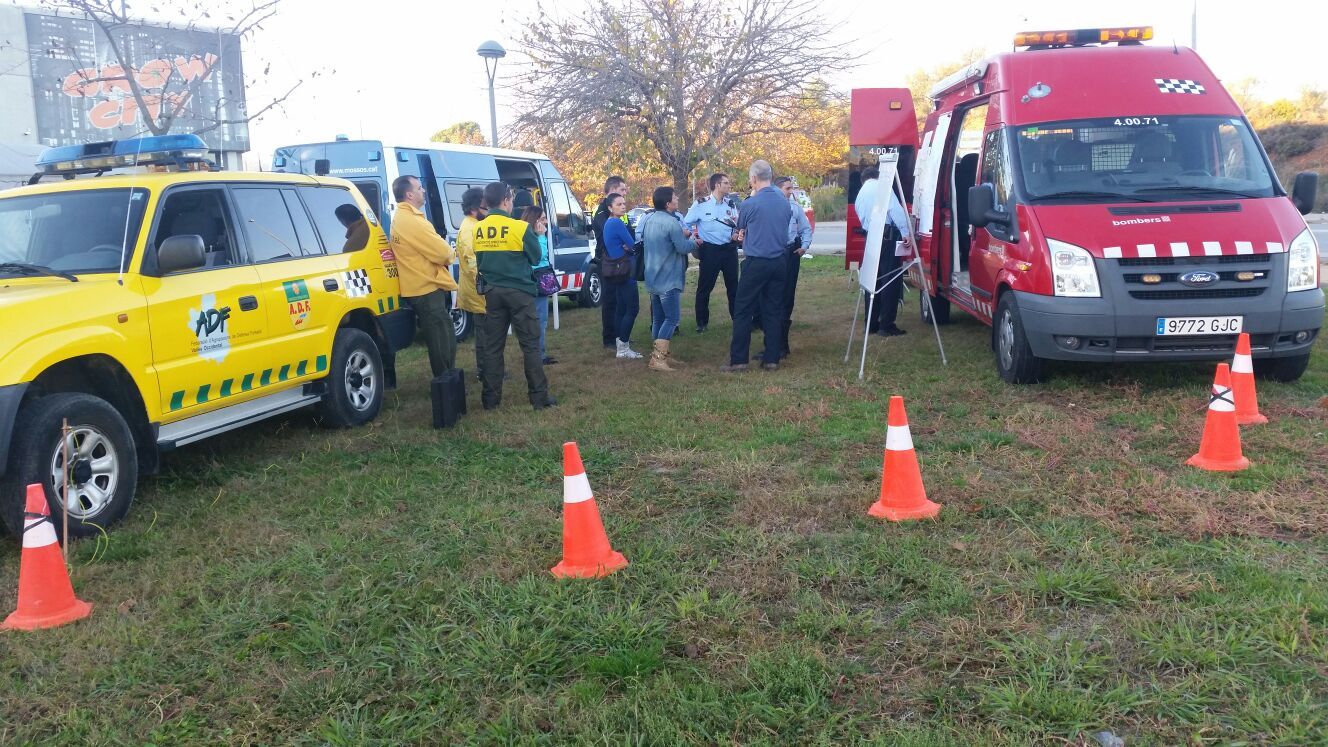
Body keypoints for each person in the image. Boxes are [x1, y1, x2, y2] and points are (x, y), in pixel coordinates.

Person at [473, 181, 556, 411]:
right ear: (506, 201)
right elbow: (535, 257)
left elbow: (479, 260)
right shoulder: (519, 227)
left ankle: (490, 400)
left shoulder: (478, 228)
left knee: (492, 347)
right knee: (530, 345)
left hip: (492, 292)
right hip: (520, 292)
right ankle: (539, 398)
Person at [724, 160, 792, 372]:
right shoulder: (784, 202)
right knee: (773, 309)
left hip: (757, 262)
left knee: (743, 309)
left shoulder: (749, 204)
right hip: (779, 261)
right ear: (770, 177)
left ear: (753, 179)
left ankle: (739, 360)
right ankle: (772, 358)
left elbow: (740, 229)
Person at [389, 175, 458, 377]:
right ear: (409, 194)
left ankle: (446, 377)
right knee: (441, 336)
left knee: (441, 332)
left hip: (418, 286)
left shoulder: (402, 217)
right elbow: (443, 253)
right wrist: (451, 253)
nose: (424, 191)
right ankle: (446, 380)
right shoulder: (413, 221)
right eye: (419, 188)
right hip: (426, 287)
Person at [639, 186, 694, 372]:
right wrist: (694, 242)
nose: (678, 200)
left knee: (658, 318)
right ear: (668, 204)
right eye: (675, 198)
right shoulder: (672, 222)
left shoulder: (649, 220)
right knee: (672, 318)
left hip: (653, 275)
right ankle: (658, 359)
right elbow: (682, 248)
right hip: (668, 277)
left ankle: (660, 355)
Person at [854, 165, 913, 337]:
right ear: (878, 177)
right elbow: (895, 210)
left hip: (871, 238)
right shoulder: (883, 188)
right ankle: (887, 325)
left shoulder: (860, 194)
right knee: (890, 280)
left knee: (873, 281)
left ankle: (871, 323)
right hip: (887, 238)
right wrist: (906, 232)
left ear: (864, 179)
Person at [683, 172, 739, 332]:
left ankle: (738, 320)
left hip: (729, 250)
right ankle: (702, 323)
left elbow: (737, 224)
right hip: (710, 251)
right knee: (704, 288)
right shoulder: (701, 204)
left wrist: (736, 234)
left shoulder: (731, 204)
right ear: (717, 185)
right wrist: (694, 238)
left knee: (734, 287)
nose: (729, 185)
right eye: (726, 183)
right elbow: (686, 224)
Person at [775, 176, 813, 359]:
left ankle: (783, 343)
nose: (791, 192)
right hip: (774, 254)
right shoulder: (769, 207)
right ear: (777, 189)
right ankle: (773, 341)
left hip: (790, 253)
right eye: (787, 188)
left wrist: (804, 246)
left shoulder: (795, 207)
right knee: (773, 295)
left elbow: (805, 229)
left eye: (792, 188)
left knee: (787, 295)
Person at [601, 193, 643, 359]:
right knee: (632, 308)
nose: (623, 206)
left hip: (616, 270)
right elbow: (633, 245)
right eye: (619, 204)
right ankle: (624, 347)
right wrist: (630, 247)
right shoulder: (616, 223)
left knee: (621, 308)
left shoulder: (608, 223)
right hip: (625, 270)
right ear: (610, 207)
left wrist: (628, 246)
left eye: (624, 203)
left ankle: (620, 345)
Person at [455, 188, 488, 380]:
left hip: (478, 289)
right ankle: (486, 371)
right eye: (485, 207)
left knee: (486, 332)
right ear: (475, 208)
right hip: (479, 290)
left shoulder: (473, 225)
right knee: (485, 334)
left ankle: (487, 369)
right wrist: (488, 285)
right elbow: (473, 263)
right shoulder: (470, 229)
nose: (488, 210)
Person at [593, 175, 628, 349]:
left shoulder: (620, 210)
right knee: (610, 301)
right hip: (607, 261)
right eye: (622, 189)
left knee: (621, 300)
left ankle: (620, 335)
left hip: (620, 260)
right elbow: (610, 234)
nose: (625, 193)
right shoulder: (601, 212)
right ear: (613, 190)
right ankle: (609, 339)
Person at [522, 205, 558, 365]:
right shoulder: (535, 237)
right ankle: (539, 355)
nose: (546, 222)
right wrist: (542, 236)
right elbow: (540, 256)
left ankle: (538, 353)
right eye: (543, 219)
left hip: (531, 280)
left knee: (536, 319)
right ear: (534, 221)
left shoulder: (523, 234)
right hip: (538, 279)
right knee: (540, 319)